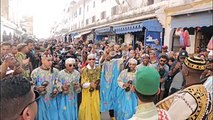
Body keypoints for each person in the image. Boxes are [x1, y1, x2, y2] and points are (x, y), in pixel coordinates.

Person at [31, 51, 60, 120]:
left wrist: (56, 89)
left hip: (53, 99)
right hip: (41, 100)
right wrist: (37, 88)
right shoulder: (35, 72)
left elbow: (58, 83)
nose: (51, 62)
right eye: (48, 60)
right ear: (42, 60)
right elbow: (31, 85)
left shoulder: (55, 71)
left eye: (51, 60)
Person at [78, 54, 101, 120]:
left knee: (95, 107)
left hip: (95, 92)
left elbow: (99, 79)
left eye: (93, 59)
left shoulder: (98, 69)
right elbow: (82, 84)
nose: (92, 61)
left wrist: (97, 84)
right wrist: (90, 84)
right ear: (87, 60)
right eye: (90, 59)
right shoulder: (84, 70)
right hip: (86, 92)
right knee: (86, 107)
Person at [100, 52, 120, 120]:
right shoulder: (103, 63)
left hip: (113, 83)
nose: (108, 56)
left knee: (113, 98)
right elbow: (100, 64)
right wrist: (103, 58)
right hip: (105, 84)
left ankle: (112, 115)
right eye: (106, 54)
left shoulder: (116, 62)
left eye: (109, 54)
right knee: (105, 97)